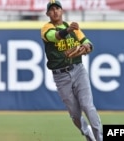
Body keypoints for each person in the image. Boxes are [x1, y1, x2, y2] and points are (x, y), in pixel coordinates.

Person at [40, 1, 103, 141]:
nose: (55, 11)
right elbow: (54, 36)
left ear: (62, 11)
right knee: (75, 114)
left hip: (78, 70)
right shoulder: (46, 28)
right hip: (61, 76)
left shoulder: (73, 28)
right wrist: (68, 31)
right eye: (52, 10)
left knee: (88, 106)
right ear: (47, 14)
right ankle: (88, 134)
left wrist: (86, 47)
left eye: (57, 8)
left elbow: (88, 43)